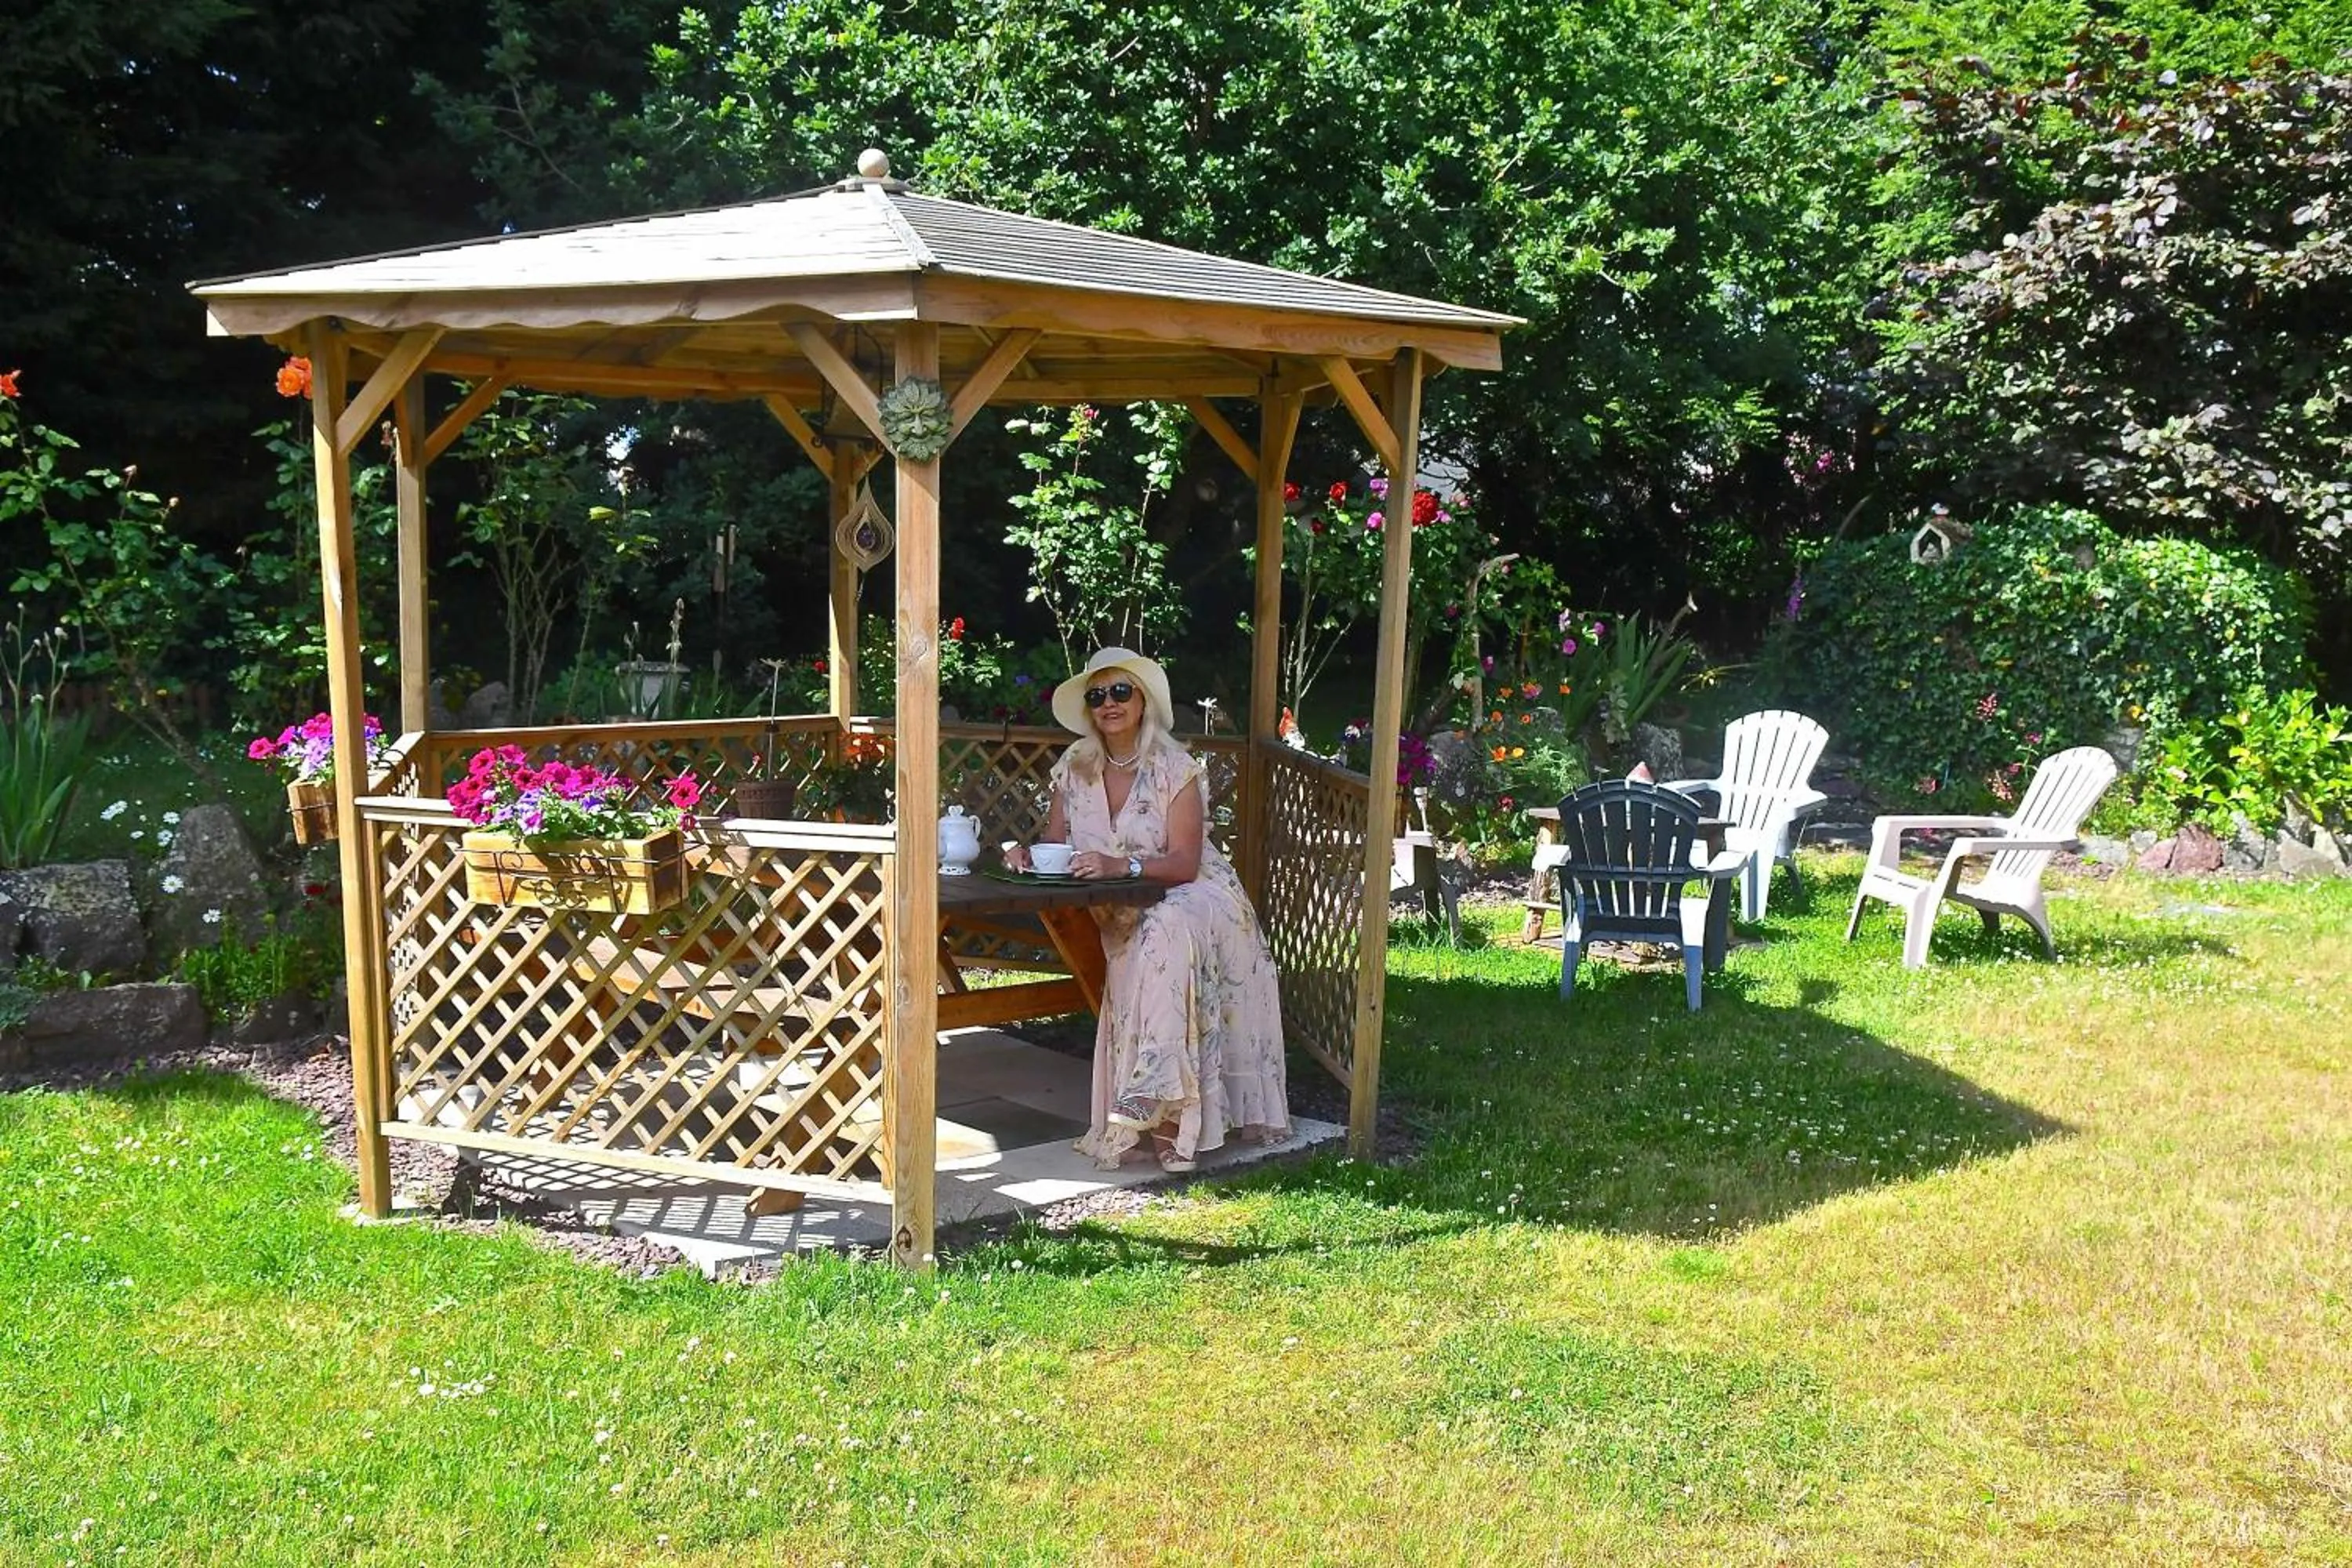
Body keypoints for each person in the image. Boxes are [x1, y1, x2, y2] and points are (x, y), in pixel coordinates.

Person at [1006, 647, 1289, 1172]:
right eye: (1097, 695)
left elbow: (1184, 864)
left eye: (1120, 692)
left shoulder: (1174, 767)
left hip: (1196, 896)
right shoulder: (1074, 767)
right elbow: (1058, 845)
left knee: (1163, 927)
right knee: (1150, 930)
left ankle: (1157, 1109)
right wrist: (1029, 857)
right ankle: (1163, 1110)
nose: (1109, 704)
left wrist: (1123, 867)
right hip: (1119, 904)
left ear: (1143, 701)